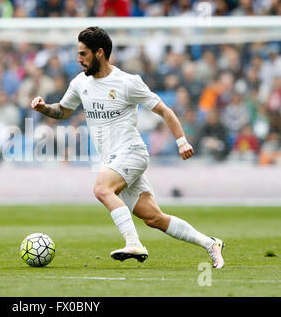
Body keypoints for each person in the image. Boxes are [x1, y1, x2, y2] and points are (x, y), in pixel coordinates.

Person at [31, 27, 225, 269]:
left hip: (132, 152)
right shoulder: (80, 83)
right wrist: (43, 108)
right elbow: (63, 110)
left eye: (83, 53)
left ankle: (133, 243)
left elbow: (164, 109)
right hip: (111, 160)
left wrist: (181, 141)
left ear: (99, 53)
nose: (78, 59)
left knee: (102, 189)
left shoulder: (127, 82)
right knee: (154, 218)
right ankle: (210, 243)